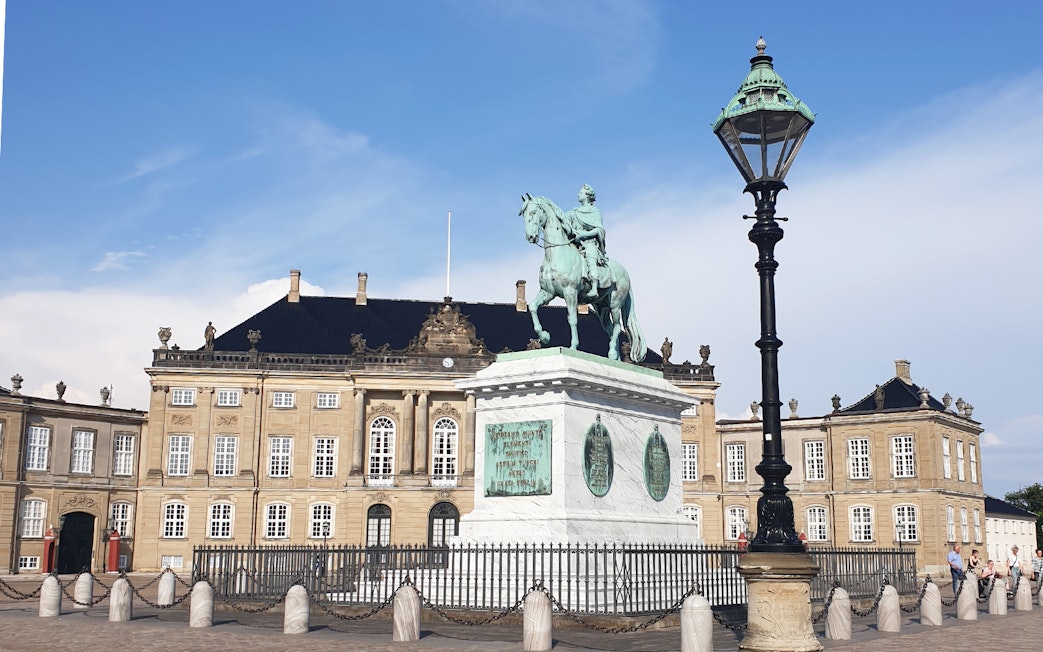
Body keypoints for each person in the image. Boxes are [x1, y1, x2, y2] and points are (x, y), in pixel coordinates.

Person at [564, 184, 606, 299]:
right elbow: (564, 222)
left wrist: (583, 235)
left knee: (590, 257)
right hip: (575, 245)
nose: (578, 194)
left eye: (581, 193)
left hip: (589, 244)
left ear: (587, 196)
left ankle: (594, 287)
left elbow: (599, 230)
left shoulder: (595, 211)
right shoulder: (574, 212)